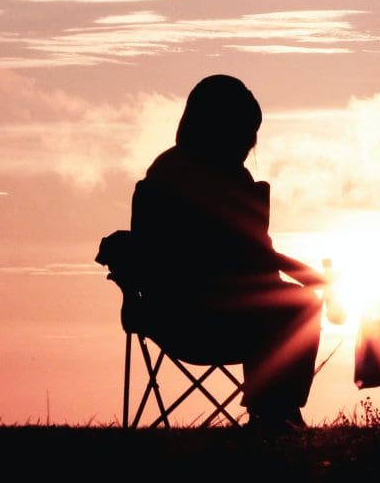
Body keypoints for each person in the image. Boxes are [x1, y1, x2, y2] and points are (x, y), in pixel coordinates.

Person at [110, 74, 332, 432]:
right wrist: (312, 279)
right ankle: (275, 412)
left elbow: (257, 255)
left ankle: (274, 411)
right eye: (245, 132)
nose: (250, 142)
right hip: (204, 317)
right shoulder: (200, 180)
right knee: (301, 305)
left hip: (167, 315)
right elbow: (254, 255)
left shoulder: (165, 173)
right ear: (221, 129)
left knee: (290, 304)